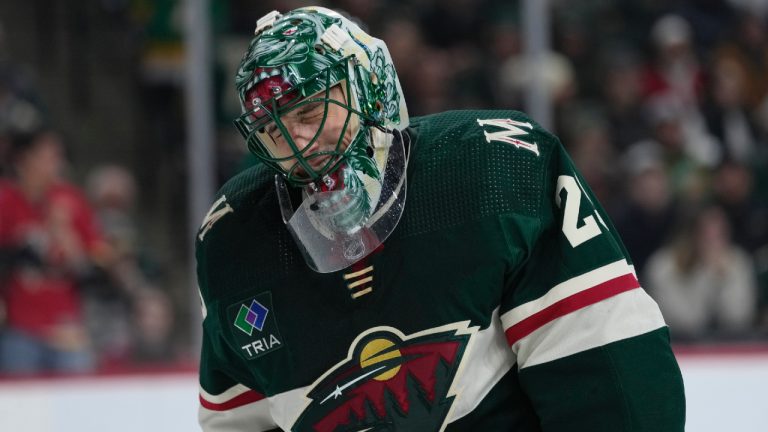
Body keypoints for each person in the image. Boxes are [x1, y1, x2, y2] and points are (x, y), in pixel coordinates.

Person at [195, 7, 685, 431]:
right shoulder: (235, 243)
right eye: (272, 130)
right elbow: (239, 419)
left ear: (368, 87)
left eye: (308, 112)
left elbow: (609, 372)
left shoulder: (493, 169)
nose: (298, 144)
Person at [0, 128, 108, 374]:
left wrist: (65, 234)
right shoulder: (6, 200)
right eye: (47, 157)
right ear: (23, 160)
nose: (55, 164)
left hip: (66, 329)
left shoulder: (71, 200)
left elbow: (95, 264)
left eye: (57, 157)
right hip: (20, 328)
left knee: (78, 398)